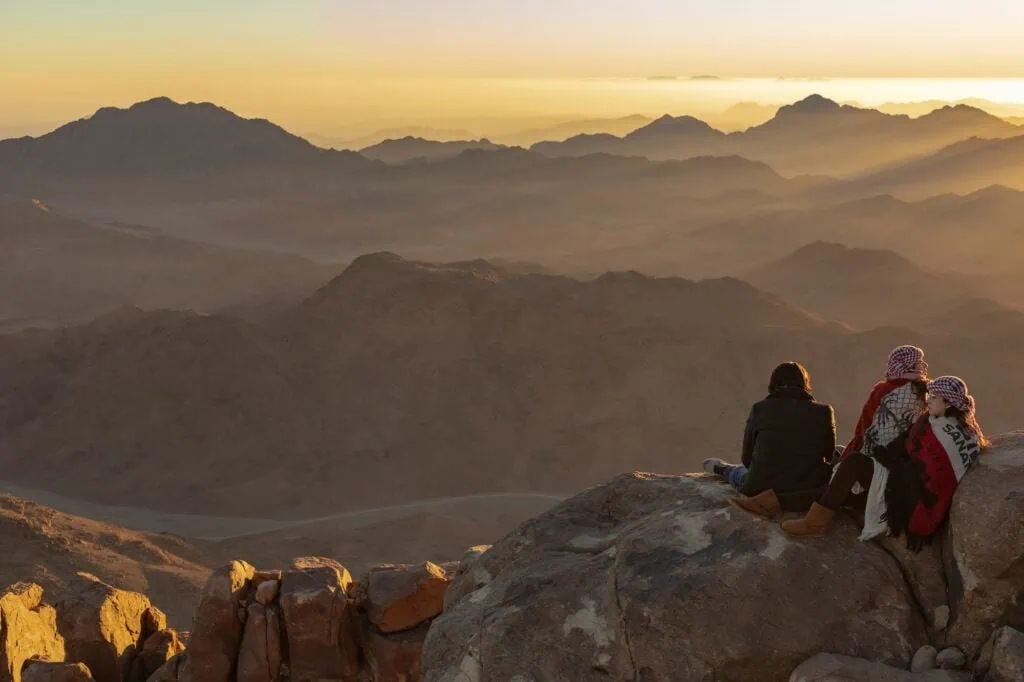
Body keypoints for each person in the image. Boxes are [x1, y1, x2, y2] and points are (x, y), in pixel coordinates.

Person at [782, 376, 985, 549]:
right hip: (900, 480)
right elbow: (905, 447)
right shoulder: (934, 421)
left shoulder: (949, 436)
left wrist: (887, 461)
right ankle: (777, 501)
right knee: (843, 489)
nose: (928, 400)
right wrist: (886, 456)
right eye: (929, 395)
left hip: (910, 499)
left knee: (853, 463)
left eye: (934, 397)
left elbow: (926, 477)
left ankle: (812, 521)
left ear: (948, 403)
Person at [703, 362, 836, 518]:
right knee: (839, 452)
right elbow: (829, 455)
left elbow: (747, 459)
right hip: (806, 488)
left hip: (761, 488)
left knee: (741, 473)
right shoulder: (824, 411)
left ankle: (723, 469)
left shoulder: (759, 409)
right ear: (804, 383)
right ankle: (726, 469)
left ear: (774, 383)